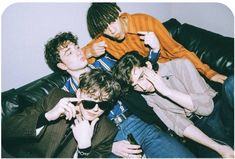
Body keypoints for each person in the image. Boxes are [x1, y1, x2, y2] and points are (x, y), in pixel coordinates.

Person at [43, 31, 195, 158]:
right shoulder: (65, 94)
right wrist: (110, 147)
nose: (78, 52)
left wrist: (154, 52)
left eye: (77, 47)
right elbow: (75, 136)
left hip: (136, 122)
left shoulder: (104, 63)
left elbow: (138, 72)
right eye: (70, 52)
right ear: (62, 65)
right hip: (108, 139)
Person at [112, 51, 234, 158]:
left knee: (231, 83)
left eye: (141, 77)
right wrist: (219, 148)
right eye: (135, 86)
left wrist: (167, 91)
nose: (143, 87)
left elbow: (207, 108)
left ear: (148, 66)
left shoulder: (180, 65)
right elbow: (181, 126)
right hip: (200, 131)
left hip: (220, 112)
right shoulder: (147, 97)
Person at [83, 2, 232, 87]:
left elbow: (177, 51)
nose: (112, 30)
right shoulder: (105, 39)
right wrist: (89, 52)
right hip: (150, 81)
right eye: (104, 28)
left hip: (175, 70)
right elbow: (70, 57)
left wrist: (208, 72)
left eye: (112, 22)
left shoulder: (145, 22)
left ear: (118, 15)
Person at [2, 69, 120, 158]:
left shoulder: (108, 131)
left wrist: (84, 147)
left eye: (103, 104)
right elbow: (6, 129)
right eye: (90, 102)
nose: (96, 109)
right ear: (78, 94)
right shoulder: (55, 98)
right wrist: (46, 117)